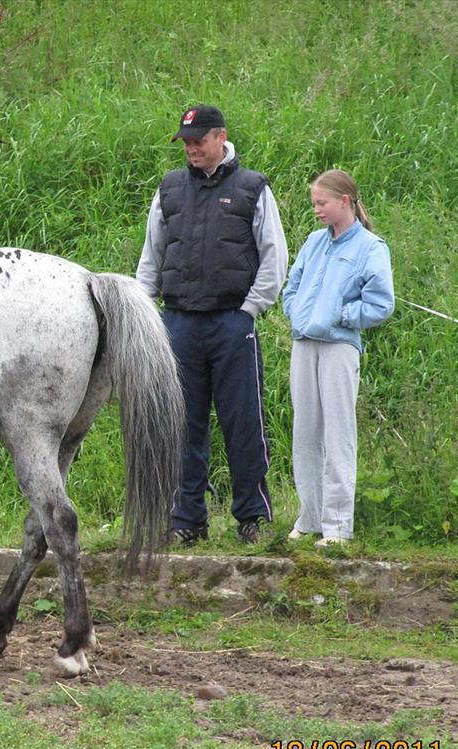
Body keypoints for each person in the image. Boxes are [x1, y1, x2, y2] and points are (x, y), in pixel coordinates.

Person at [137, 104, 288, 546]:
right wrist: (146, 313)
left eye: (198, 140)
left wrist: (251, 309)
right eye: (185, 142)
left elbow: (273, 256)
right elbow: (152, 257)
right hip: (178, 322)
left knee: (243, 422)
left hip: (231, 323)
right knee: (182, 425)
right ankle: (186, 519)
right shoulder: (168, 189)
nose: (191, 149)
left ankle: (251, 516)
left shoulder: (252, 188)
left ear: (220, 138)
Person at [282, 169, 394, 546]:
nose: (316, 210)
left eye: (322, 203)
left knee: (338, 432)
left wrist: (341, 317)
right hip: (304, 344)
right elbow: (293, 285)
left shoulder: (370, 247)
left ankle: (337, 526)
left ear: (344, 201)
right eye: (315, 203)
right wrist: (296, 313)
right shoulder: (314, 242)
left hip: (339, 348)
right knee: (305, 432)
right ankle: (309, 517)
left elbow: (381, 302)